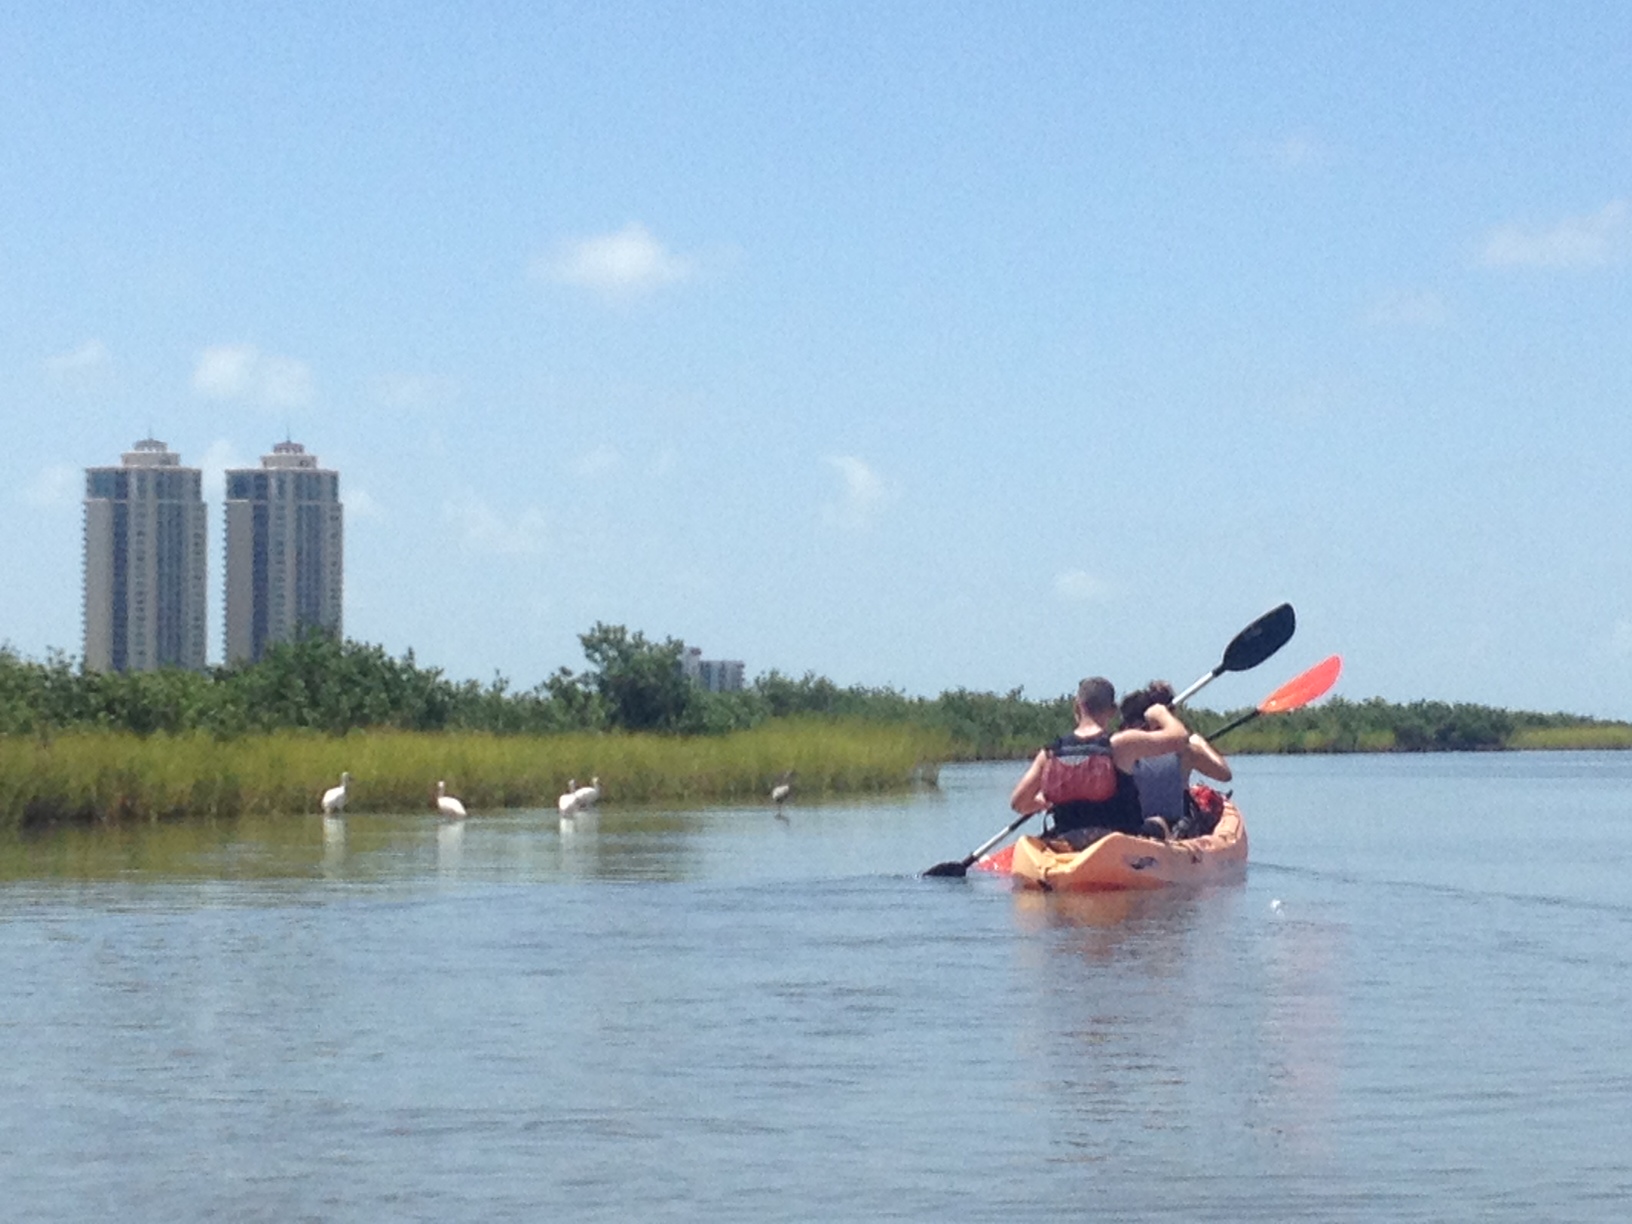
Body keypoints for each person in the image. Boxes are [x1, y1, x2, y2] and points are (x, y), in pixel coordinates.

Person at [1009, 676, 1189, 850]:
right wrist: (1161, 714)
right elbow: (1180, 737)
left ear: (1077, 706)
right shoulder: (1121, 745)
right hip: (1119, 844)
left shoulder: (1051, 752)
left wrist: (1044, 803)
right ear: (1112, 710)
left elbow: (1018, 802)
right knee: (1159, 823)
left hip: (1067, 842)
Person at [1118, 680, 1233, 839]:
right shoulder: (1186, 750)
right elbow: (1224, 774)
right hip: (1176, 827)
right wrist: (1200, 743)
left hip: (1133, 825)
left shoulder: (1121, 748)